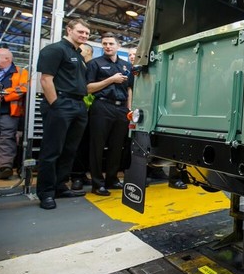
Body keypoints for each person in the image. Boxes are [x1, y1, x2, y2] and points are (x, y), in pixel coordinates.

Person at [36, 18, 90, 209]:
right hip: (61, 103)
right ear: (69, 30)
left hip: (78, 105)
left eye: (87, 33)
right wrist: (56, 105)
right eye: (80, 32)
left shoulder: (79, 55)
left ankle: (59, 186)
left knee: (69, 150)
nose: (84, 35)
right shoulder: (55, 49)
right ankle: (46, 192)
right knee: (52, 150)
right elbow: (45, 80)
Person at [125, 47, 186, 189]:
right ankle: (143, 176)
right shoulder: (152, 72)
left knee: (175, 144)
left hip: (172, 113)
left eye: (181, 63)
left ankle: (174, 178)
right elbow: (136, 90)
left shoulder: (180, 78)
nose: (178, 65)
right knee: (145, 143)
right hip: (150, 110)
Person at [86, 33, 133, 196]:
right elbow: (88, 88)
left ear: (118, 46)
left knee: (117, 146)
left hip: (121, 110)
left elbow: (129, 89)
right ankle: (97, 183)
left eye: (111, 43)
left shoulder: (127, 66)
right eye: (104, 43)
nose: (107, 46)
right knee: (97, 146)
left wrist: (129, 109)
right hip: (102, 106)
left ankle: (112, 179)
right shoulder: (94, 64)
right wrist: (110, 80)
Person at [0, 48, 28, 180]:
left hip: (8, 112)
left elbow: (23, 88)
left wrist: (3, 95)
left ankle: (4, 167)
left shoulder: (21, 72)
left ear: (7, 59)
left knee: (6, 138)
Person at [70, 43, 95, 191]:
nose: (79, 51)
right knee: (76, 145)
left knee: (86, 145)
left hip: (93, 111)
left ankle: (82, 174)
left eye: (82, 50)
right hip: (80, 109)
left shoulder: (92, 66)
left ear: (89, 52)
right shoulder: (78, 67)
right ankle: (76, 176)